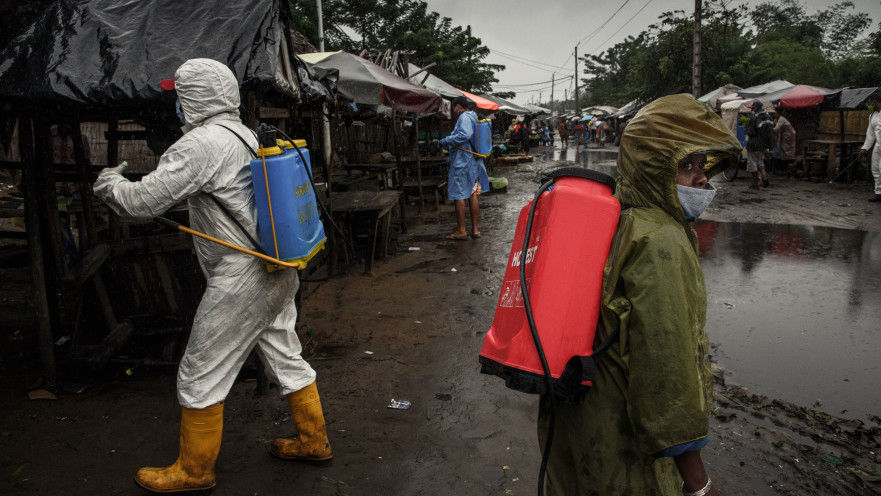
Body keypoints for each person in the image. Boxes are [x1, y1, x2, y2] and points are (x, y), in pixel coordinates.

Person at [92, 58, 333, 493]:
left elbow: (142, 203)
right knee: (284, 353)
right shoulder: (245, 134)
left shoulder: (200, 144)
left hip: (243, 276)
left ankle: (194, 470)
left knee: (201, 368)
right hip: (277, 264)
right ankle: (313, 440)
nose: (177, 104)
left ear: (194, 97)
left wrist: (111, 184)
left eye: (180, 96)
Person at [537, 93, 741, 495]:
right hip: (621, 440)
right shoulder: (659, 238)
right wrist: (698, 484)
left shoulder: (614, 216)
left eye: (702, 165)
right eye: (686, 165)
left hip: (573, 421)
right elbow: (665, 371)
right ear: (653, 167)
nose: (702, 178)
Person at [438, 95, 490, 240]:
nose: (454, 111)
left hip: (464, 163)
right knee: (472, 194)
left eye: (454, 108)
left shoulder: (464, 117)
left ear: (458, 106)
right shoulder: (473, 116)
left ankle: (461, 230)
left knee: (459, 195)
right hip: (473, 162)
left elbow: (464, 135)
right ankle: (475, 230)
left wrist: (446, 140)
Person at [745, 101, 775, 189]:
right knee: (760, 163)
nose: (752, 110)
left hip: (753, 144)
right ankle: (765, 178)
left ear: (756, 108)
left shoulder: (754, 118)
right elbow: (770, 132)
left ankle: (755, 184)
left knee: (753, 164)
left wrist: (746, 129)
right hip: (763, 145)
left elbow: (751, 132)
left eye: (753, 108)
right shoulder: (769, 118)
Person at [859, 94, 881, 202]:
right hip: (878, 145)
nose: (869, 105)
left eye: (870, 102)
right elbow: (870, 134)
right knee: (875, 170)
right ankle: (878, 193)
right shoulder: (872, 116)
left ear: (875, 102)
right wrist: (865, 147)